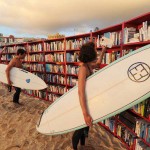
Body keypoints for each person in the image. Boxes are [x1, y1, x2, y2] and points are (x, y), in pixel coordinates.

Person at [72, 42, 106, 150]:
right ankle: (74, 148)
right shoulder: (83, 69)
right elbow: (80, 92)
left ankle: (82, 144)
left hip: (87, 101)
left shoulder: (88, 65)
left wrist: (104, 51)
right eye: (95, 52)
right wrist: (85, 113)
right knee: (79, 127)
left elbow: (99, 63)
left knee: (85, 127)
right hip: (82, 103)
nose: (96, 53)